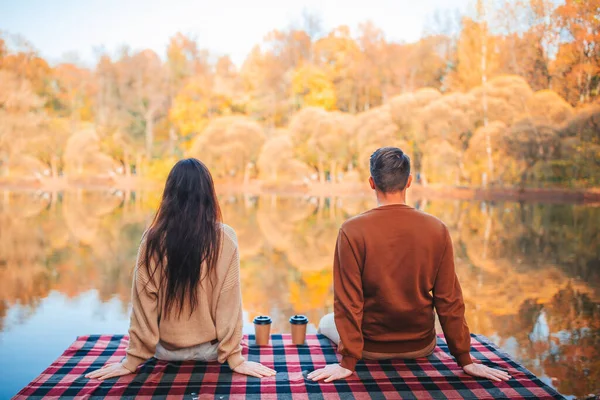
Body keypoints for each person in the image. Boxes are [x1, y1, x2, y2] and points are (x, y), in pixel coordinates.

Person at [308, 147, 511, 383]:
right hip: (421, 345)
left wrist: (348, 362)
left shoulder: (352, 230)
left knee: (325, 321)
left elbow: (348, 302)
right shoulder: (437, 229)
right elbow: (449, 300)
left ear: (372, 183)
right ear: (410, 182)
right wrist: (465, 358)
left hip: (370, 348)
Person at [86, 158, 276, 381]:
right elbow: (229, 304)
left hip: (164, 352)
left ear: (169, 195)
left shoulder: (152, 239)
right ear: (208, 195)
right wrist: (235, 358)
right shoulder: (225, 237)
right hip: (210, 353)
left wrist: (131, 361)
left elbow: (143, 305)